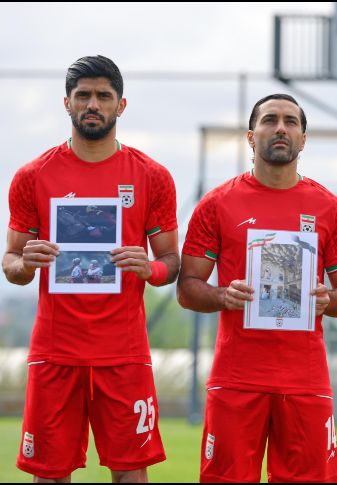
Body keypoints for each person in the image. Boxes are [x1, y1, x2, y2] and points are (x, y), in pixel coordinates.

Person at [2, 55, 180, 483]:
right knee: (50, 474)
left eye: (104, 96)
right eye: (83, 95)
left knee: (130, 475)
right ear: (67, 103)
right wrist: (27, 262)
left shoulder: (151, 177)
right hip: (55, 351)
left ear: (121, 105)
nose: (92, 104)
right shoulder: (33, 176)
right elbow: (11, 262)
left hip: (123, 354)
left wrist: (148, 269)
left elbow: (171, 262)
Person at [177, 93, 337, 483]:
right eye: (270, 120)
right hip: (236, 378)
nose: (281, 128)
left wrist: (327, 300)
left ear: (303, 138)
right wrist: (222, 295)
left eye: (291, 121)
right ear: (250, 135)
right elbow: (187, 287)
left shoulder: (329, 207)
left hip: (305, 380)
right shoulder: (217, 204)